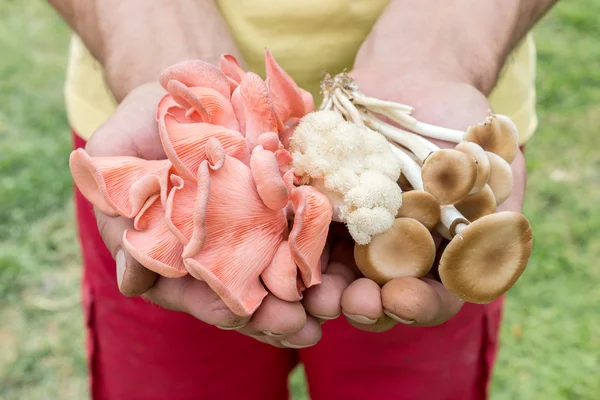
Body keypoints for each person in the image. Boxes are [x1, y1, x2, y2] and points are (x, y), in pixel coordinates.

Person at [48, 1, 556, 399]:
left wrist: (443, 47)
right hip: (160, 139)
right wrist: (154, 38)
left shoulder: (459, 172)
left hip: (454, 114)